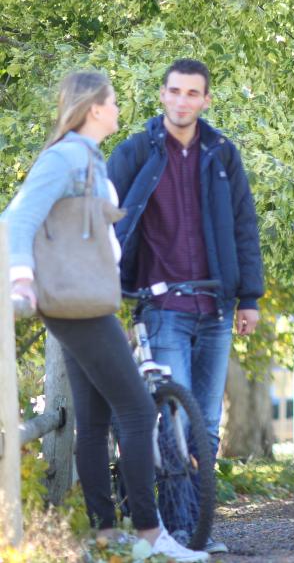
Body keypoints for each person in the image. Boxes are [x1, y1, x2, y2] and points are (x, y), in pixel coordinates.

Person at [2, 72, 208, 561]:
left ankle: (104, 533)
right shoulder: (68, 156)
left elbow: (95, 235)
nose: (119, 109)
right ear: (95, 107)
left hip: (86, 300)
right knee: (138, 410)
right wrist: (21, 279)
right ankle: (149, 536)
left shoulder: (88, 158)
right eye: (113, 102)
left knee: (93, 421)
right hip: (76, 305)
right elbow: (17, 217)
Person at [107, 59, 264, 555]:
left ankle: (197, 526)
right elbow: (104, 215)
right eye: (175, 91)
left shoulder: (221, 153)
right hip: (162, 306)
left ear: (205, 100)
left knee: (208, 426)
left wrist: (250, 297)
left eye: (193, 93)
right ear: (162, 94)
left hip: (216, 306)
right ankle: (176, 530)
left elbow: (244, 225)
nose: (182, 101)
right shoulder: (135, 151)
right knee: (173, 421)